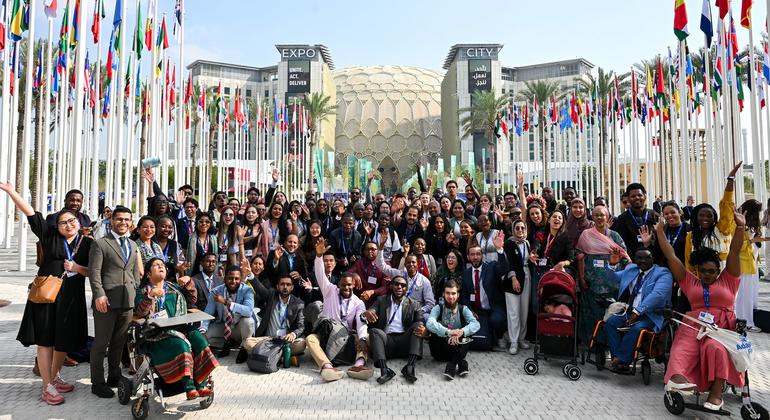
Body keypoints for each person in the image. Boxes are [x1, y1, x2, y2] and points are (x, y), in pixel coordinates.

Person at [1, 182, 91, 405]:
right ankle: (46, 386)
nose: (68, 225)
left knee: (63, 340)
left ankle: (55, 376)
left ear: (79, 223)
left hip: (71, 298)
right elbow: (30, 212)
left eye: (72, 221)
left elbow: (95, 271)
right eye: (63, 222)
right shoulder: (49, 236)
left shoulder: (89, 244)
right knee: (45, 340)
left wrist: (78, 269)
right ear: (57, 225)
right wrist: (12, 192)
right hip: (46, 296)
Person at [660, 209, 746, 411]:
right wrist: (660, 233)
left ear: (719, 271)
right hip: (693, 325)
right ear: (697, 270)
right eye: (703, 271)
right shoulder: (691, 282)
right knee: (683, 347)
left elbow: (734, 251)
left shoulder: (729, 280)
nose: (707, 275)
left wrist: (740, 227)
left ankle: (716, 395)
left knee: (714, 348)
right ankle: (679, 380)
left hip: (721, 327)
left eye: (711, 271)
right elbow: (671, 256)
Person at [134, 258, 218, 400]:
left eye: (163, 265)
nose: (161, 267)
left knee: (199, 340)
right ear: (148, 273)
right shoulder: (142, 291)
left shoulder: (174, 288)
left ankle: (201, 385)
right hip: (156, 335)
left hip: (180, 329)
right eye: (156, 265)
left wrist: (189, 283)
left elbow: (192, 300)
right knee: (181, 345)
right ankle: (190, 388)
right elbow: (140, 312)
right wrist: (150, 296)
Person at [88, 205, 140, 398]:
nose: (123, 223)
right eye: (119, 219)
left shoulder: (133, 245)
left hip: (127, 302)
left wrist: (134, 288)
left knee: (119, 342)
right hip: (106, 301)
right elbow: (94, 273)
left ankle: (114, 376)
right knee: (101, 344)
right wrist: (99, 294)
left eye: (127, 219)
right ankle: (97, 382)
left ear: (131, 222)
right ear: (112, 220)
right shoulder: (100, 244)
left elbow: (134, 272)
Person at [303, 239, 373, 382]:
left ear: (353, 285)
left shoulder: (358, 302)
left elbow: (361, 322)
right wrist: (318, 256)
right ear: (338, 285)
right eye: (343, 285)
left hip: (345, 338)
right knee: (310, 339)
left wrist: (362, 338)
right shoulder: (329, 290)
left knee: (366, 337)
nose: (346, 288)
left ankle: (358, 366)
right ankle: (327, 367)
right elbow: (320, 275)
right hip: (326, 334)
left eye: (349, 285)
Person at [603, 247, 673, 372]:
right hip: (629, 311)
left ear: (653, 259)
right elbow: (611, 279)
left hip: (651, 314)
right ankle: (618, 359)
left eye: (647, 257)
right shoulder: (632, 269)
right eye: (639, 258)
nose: (643, 261)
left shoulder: (663, 273)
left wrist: (638, 311)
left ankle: (622, 359)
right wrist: (612, 265)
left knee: (637, 328)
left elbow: (657, 295)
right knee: (610, 323)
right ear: (635, 259)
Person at [575, 205, 629, 348]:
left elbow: (625, 257)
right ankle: (592, 345)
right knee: (591, 315)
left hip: (612, 284)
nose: (599, 218)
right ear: (592, 217)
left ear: (607, 217)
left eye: (602, 215)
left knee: (611, 316)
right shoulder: (586, 235)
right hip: (591, 283)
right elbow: (580, 257)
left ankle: (610, 346)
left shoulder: (615, 236)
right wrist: (581, 278)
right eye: (596, 215)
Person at [362, 276, 428, 384]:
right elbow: (371, 311)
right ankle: (385, 371)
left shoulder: (414, 304)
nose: (399, 287)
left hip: (404, 342)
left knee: (419, 326)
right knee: (374, 331)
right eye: (396, 284)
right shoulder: (381, 300)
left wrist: (425, 331)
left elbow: (420, 322)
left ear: (406, 289)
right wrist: (367, 313)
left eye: (403, 285)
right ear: (391, 286)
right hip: (387, 342)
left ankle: (409, 368)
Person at [240, 275, 306, 365]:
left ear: (292, 287)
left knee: (302, 344)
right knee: (247, 342)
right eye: (282, 284)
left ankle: (267, 356)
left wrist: (293, 334)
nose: (285, 287)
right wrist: (250, 274)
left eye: (288, 284)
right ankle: (283, 358)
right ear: (278, 286)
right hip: (268, 340)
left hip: (285, 341)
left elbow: (301, 326)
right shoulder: (272, 295)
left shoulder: (298, 303)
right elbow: (260, 289)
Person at [461, 232, 509, 351]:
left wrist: (499, 249)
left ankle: (500, 336)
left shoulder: (491, 267)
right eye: (472, 254)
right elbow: (464, 296)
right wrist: (469, 311)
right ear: (468, 257)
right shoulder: (465, 274)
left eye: (478, 254)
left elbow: (504, 268)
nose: (475, 257)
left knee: (496, 320)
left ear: (482, 256)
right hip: (476, 310)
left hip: (493, 307)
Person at [426, 280, 480, 380]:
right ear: (443, 294)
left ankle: (452, 364)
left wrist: (461, 332)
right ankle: (461, 362)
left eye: (453, 293)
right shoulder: (438, 308)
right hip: (440, 352)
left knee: (468, 332)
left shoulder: (463, 309)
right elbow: (429, 323)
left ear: (458, 294)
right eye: (448, 293)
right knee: (436, 327)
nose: (451, 297)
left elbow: (476, 324)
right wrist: (449, 332)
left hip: (456, 348)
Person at [375, 234, 435, 321]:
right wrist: (381, 247)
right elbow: (381, 265)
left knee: (427, 318)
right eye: (408, 262)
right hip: (397, 309)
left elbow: (430, 304)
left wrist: (418, 311)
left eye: (413, 262)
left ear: (417, 264)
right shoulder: (398, 275)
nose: (411, 264)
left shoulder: (424, 281)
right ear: (405, 264)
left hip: (415, 312)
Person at [201, 266, 256, 357]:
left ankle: (244, 347)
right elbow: (208, 313)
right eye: (230, 278)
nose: (233, 281)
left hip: (240, 327)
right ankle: (228, 344)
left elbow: (248, 311)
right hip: (225, 326)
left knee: (248, 321)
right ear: (225, 278)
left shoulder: (247, 290)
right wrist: (203, 329)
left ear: (241, 278)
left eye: (236, 279)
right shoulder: (216, 292)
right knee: (206, 334)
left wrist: (226, 302)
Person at [502, 219, 532, 354]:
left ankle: (521, 338)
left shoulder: (527, 243)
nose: (520, 230)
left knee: (524, 310)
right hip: (512, 279)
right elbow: (507, 263)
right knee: (513, 312)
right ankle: (513, 341)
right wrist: (513, 278)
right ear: (513, 230)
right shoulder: (508, 243)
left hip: (526, 276)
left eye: (523, 228)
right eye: (517, 228)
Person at [735, 199, 764, 332]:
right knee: (743, 295)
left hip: (752, 264)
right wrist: (753, 240)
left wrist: (756, 240)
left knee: (750, 294)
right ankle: (745, 322)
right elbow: (737, 246)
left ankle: (749, 319)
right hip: (743, 264)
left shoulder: (752, 224)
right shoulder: (740, 223)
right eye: (757, 211)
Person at [612, 183, 659, 259]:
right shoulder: (622, 219)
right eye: (633, 196)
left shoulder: (655, 216)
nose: (637, 198)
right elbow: (620, 243)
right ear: (628, 198)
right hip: (632, 262)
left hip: (654, 260)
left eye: (640, 195)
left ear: (645, 196)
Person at [349, 241, 390, 307]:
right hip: (359, 299)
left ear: (378, 251)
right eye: (367, 249)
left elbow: (386, 287)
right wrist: (353, 274)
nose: (370, 251)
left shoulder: (385, 265)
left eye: (373, 249)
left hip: (376, 301)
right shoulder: (360, 262)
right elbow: (347, 273)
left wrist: (372, 292)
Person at [185, 212, 218, 277]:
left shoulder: (214, 239)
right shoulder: (189, 238)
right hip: (194, 274)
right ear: (196, 223)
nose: (204, 224)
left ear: (211, 224)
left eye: (207, 222)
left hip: (210, 274)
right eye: (201, 221)